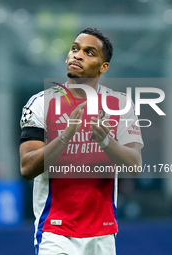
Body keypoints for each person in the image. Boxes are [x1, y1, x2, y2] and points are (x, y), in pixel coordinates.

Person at [19, 28, 144, 255]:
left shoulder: (121, 105)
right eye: (75, 49)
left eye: (89, 52)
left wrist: (106, 141)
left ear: (103, 67)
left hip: (103, 234)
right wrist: (66, 136)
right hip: (55, 232)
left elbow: (134, 165)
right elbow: (27, 167)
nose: (77, 55)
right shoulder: (40, 103)